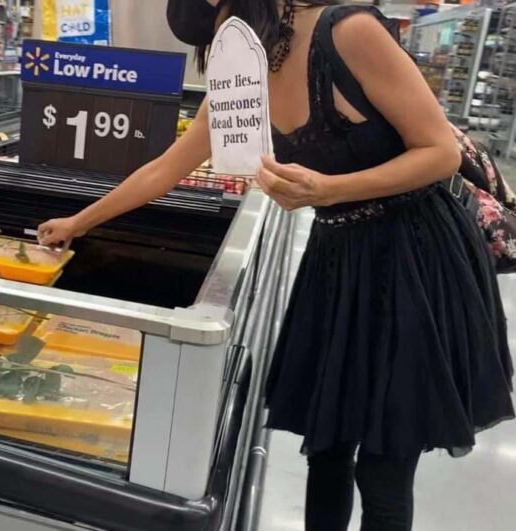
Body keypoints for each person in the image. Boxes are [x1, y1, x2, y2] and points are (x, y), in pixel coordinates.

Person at [38, 1, 515, 530]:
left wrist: (330, 189)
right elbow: (169, 166)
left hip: (414, 256)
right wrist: (80, 221)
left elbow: (439, 152)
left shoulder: (349, 31)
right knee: (328, 445)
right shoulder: (242, 67)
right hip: (338, 256)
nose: (219, 43)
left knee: (385, 461)